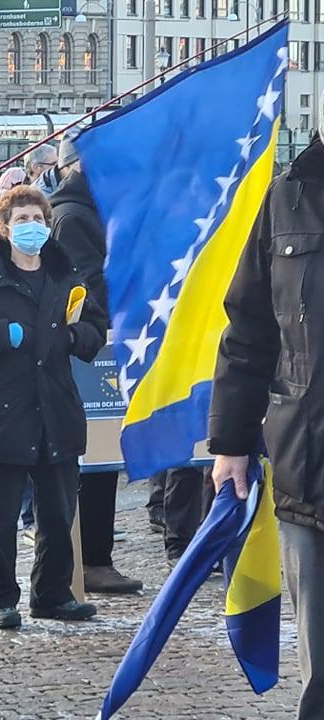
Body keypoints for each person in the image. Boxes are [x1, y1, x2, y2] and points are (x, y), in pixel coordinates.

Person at [0, 185, 106, 629]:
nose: (31, 228)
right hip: (5, 411)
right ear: (4, 228)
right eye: (22, 220)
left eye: (38, 220)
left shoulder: (64, 275)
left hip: (57, 408)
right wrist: (1, 335)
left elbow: (95, 326)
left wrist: (73, 338)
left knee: (57, 512)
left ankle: (51, 594)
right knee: (1, 517)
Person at [209, 103, 324, 719]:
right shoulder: (285, 199)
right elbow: (248, 332)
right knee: (322, 672)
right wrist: (229, 443)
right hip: (309, 467)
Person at [48, 133, 143, 596]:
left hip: (98, 341)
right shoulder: (72, 216)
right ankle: (91, 559)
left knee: (101, 455)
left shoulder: (87, 211)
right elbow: (88, 285)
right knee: (95, 455)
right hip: (92, 346)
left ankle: (94, 556)